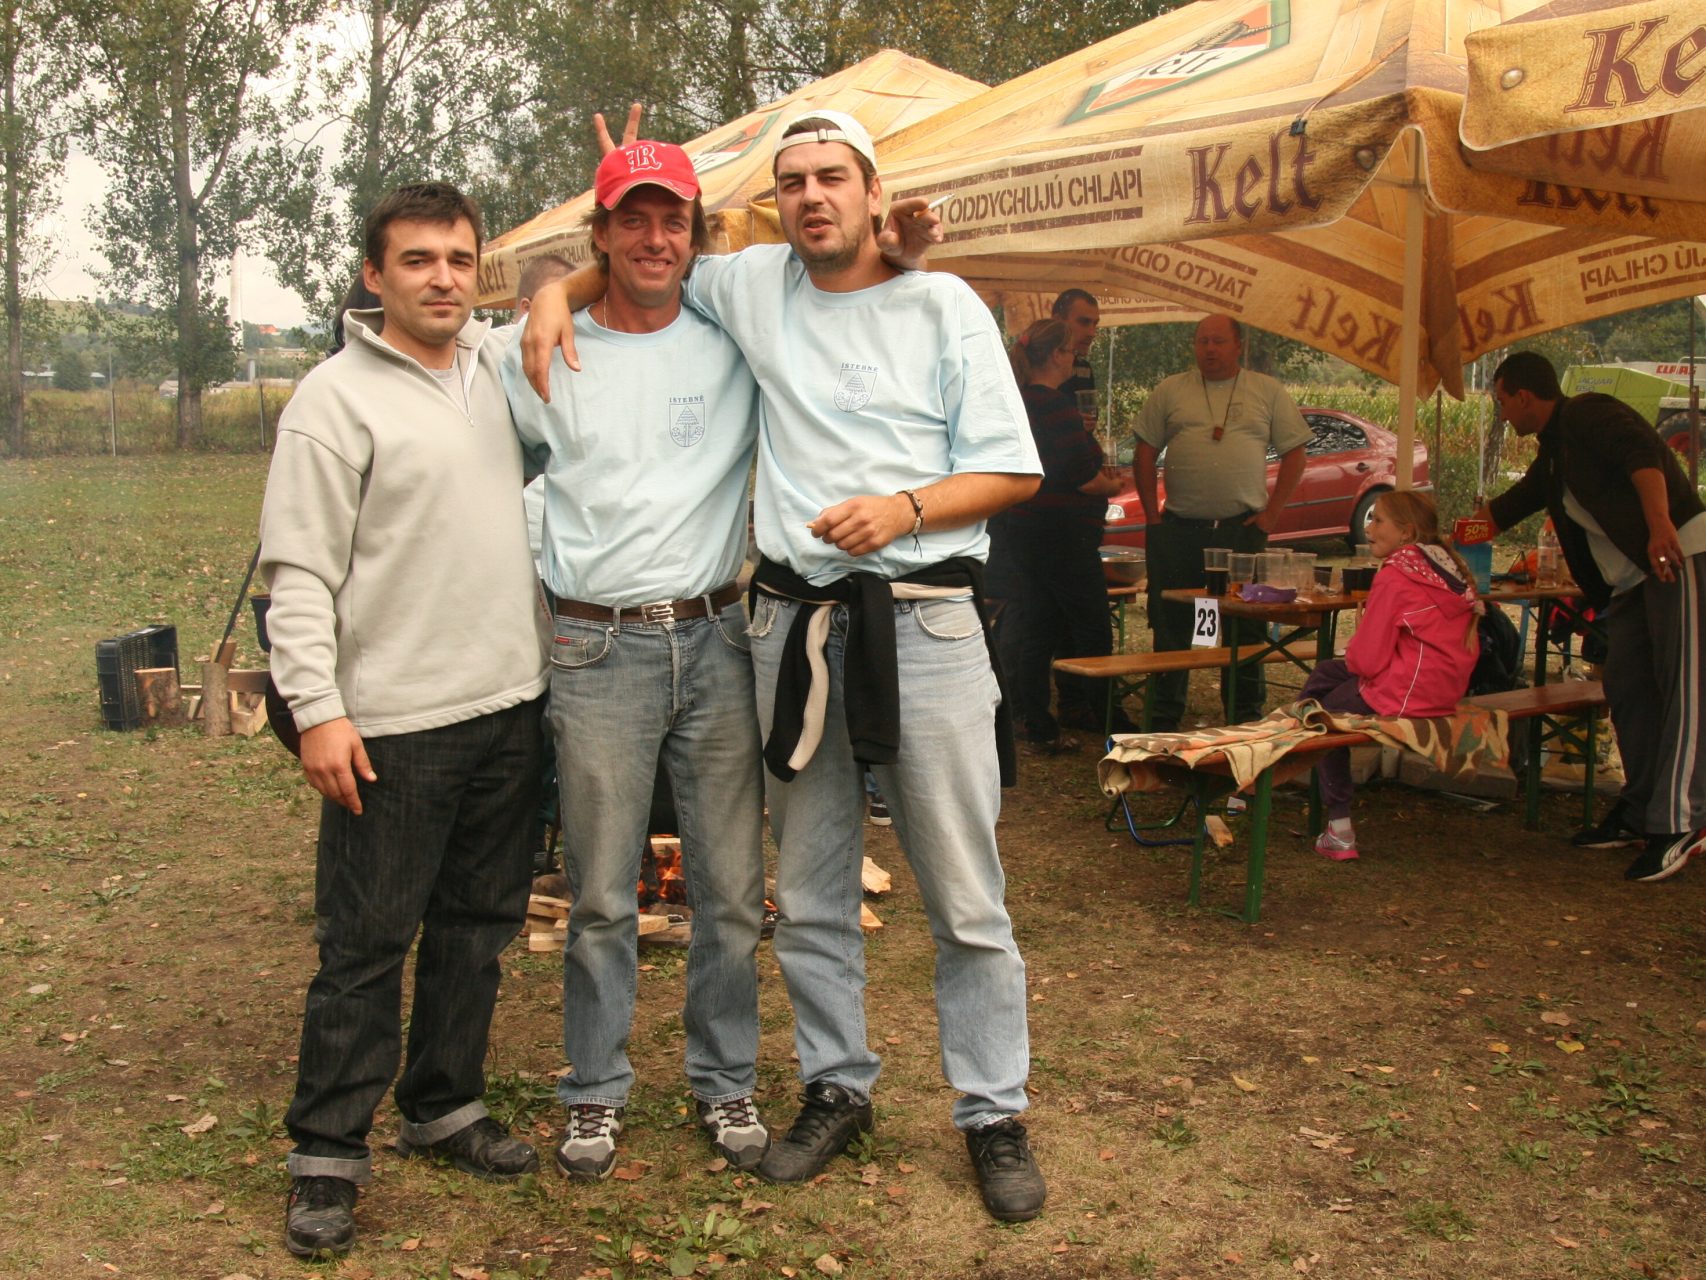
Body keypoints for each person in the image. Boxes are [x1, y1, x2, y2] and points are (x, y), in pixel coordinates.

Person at [522, 107, 1050, 1223]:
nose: (813, 196)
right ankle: (835, 1085)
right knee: (808, 890)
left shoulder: (943, 304)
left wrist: (904, 508)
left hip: (924, 621)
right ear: (775, 205)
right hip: (793, 629)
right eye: (794, 180)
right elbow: (642, 258)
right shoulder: (751, 284)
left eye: (833, 177)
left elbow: (1012, 470)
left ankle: (991, 1112)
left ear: (872, 192)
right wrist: (553, 292)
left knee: (963, 891)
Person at [261, 182, 549, 1259]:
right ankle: (328, 1153)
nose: (442, 279)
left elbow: (582, 292)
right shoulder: (332, 401)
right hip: (393, 720)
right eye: (418, 260)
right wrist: (318, 711)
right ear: (373, 274)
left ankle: (443, 1103)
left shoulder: (495, 366)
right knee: (366, 944)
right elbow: (298, 572)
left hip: (510, 702)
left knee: (477, 927)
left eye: (460, 259)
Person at [499, 139, 769, 1180]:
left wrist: (558, 284)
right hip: (594, 643)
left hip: (717, 634)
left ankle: (724, 1076)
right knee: (603, 895)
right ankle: (593, 1090)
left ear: (695, 235)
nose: (655, 238)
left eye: (673, 220)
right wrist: (550, 295)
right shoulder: (539, 350)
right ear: (601, 233)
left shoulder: (731, 339)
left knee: (730, 890)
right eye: (633, 219)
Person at [1476, 351, 1706, 883]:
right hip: (1631, 581)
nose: (1502, 413)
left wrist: (1660, 525)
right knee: (1628, 688)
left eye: (1502, 402)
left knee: (1685, 688)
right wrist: (1441, 544)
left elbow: (1643, 455)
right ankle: (1641, 808)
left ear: (1524, 396)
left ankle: (1684, 820)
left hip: (1676, 553)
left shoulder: (1588, 412)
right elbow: (1510, 507)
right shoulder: (1555, 452)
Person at [1133, 315, 1310, 730]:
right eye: (1202, 341)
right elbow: (1144, 452)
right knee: (1172, 626)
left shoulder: (1266, 390)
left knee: (1244, 628)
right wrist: (1152, 516)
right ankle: (1163, 720)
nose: (1209, 349)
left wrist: (1271, 514)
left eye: (1218, 341)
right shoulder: (1171, 390)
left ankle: (1244, 717)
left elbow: (1295, 453)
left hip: (1240, 532)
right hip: (1179, 531)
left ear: (1238, 346)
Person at [1300, 491, 1481, 859]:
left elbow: (1367, 662)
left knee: (1322, 717)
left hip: (1407, 692)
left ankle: (1339, 828)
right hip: (1442, 688)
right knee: (1323, 675)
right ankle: (1292, 737)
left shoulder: (1397, 574)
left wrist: (1357, 643)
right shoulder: (1447, 566)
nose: (1369, 527)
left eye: (1378, 520)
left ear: (1406, 532)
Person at [997, 318, 1128, 752]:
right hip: (1065, 534)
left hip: (1026, 528)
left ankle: (1037, 722)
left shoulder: (1019, 402)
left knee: (1039, 626)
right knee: (1093, 628)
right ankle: (1111, 719)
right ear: (1056, 355)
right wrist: (1113, 485)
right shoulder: (1056, 406)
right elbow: (1083, 477)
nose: (1074, 358)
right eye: (1071, 351)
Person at [1052, 287, 1100, 402]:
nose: (1092, 333)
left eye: (1095, 324)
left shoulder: (1084, 367)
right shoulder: (1033, 365)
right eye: (1084, 322)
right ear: (1058, 321)